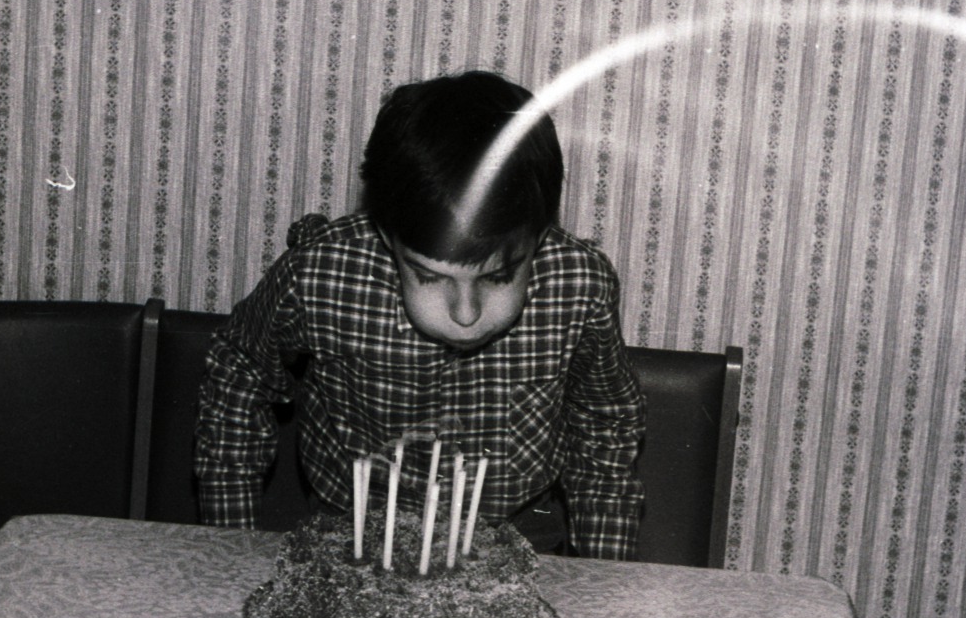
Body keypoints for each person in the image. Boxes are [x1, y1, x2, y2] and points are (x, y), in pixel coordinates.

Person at [194, 70, 645, 559]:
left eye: (497, 277)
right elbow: (239, 375)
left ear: (538, 238)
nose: (466, 315)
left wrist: (604, 572)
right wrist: (231, 543)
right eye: (430, 277)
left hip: (519, 534)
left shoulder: (580, 286)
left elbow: (606, 424)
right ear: (389, 238)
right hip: (352, 534)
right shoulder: (320, 276)